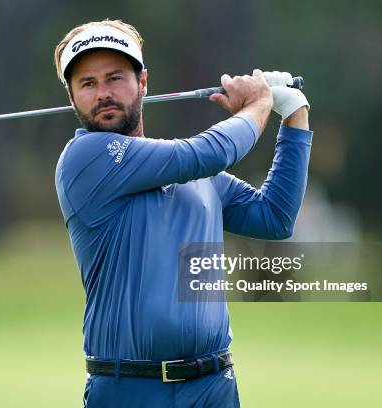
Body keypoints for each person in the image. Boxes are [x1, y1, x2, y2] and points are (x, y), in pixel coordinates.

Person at [53, 19, 311, 407]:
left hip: (214, 387)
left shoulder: (194, 174)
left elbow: (275, 217)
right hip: (129, 389)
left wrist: (293, 113)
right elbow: (206, 152)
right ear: (72, 96)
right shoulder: (84, 158)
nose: (103, 93)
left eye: (114, 78)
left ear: (142, 82)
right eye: (87, 83)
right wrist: (258, 105)